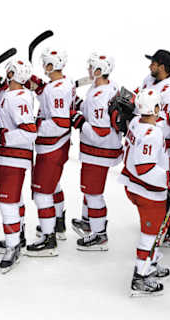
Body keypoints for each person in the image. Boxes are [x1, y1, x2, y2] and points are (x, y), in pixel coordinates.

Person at [0, 59, 36, 273]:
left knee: (7, 203)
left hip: (12, 157)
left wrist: (0, 135)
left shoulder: (19, 98)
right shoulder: (14, 94)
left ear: (14, 74)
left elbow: (29, 132)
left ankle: (13, 245)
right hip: (7, 157)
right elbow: (5, 100)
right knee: (15, 201)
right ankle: (17, 237)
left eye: (9, 71)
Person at [118, 88, 170, 296]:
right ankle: (141, 277)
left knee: (159, 229)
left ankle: (152, 262)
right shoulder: (153, 134)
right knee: (151, 235)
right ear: (156, 108)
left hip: (133, 186)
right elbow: (145, 169)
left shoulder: (135, 122)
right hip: (148, 193)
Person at [69, 53, 122, 251]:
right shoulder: (102, 87)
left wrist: (79, 121)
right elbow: (91, 108)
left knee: (93, 192)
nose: (88, 70)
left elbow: (100, 132)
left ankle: (99, 236)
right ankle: (88, 221)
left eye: (92, 67)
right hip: (99, 151)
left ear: (99, 71)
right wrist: (78, 104)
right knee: (88, 189)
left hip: (99, 151)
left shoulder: (102, 95)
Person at [26, 48, 75, 257]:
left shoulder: (56, 90)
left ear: (50, 66)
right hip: (60, 145)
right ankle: (58, 223)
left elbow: (61, 123)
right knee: (53, 185)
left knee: (42, 193)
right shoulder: (64, 82)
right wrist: (39, 88)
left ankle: (48, 239)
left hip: (51, 146)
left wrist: (34, 125)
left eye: (45, 63)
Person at [137, 50, 170, 246]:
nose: (150, 66)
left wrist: (147, 131)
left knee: (166, 183)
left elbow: (169, 122)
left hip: (168, 142)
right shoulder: (149, 79)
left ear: (162, 66)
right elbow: (139, 99)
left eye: (153, 63)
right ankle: (156, 221)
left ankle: (169, 228)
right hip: (152, 139)